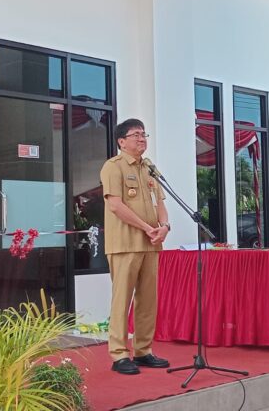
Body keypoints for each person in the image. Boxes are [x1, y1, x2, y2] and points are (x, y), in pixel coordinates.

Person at [100, 118, 171, 375]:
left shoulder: (149, 168)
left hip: (151, 244)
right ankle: (119, 354)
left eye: (144, 134)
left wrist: (164, 227)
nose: (142, 139)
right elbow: (115, 205)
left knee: (147, 300)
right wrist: (146, 227)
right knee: (122, 300)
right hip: (124, 244)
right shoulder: (113, 167)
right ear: (122, 141)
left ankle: (143, 351)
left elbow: (160, 203)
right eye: (136, 135)